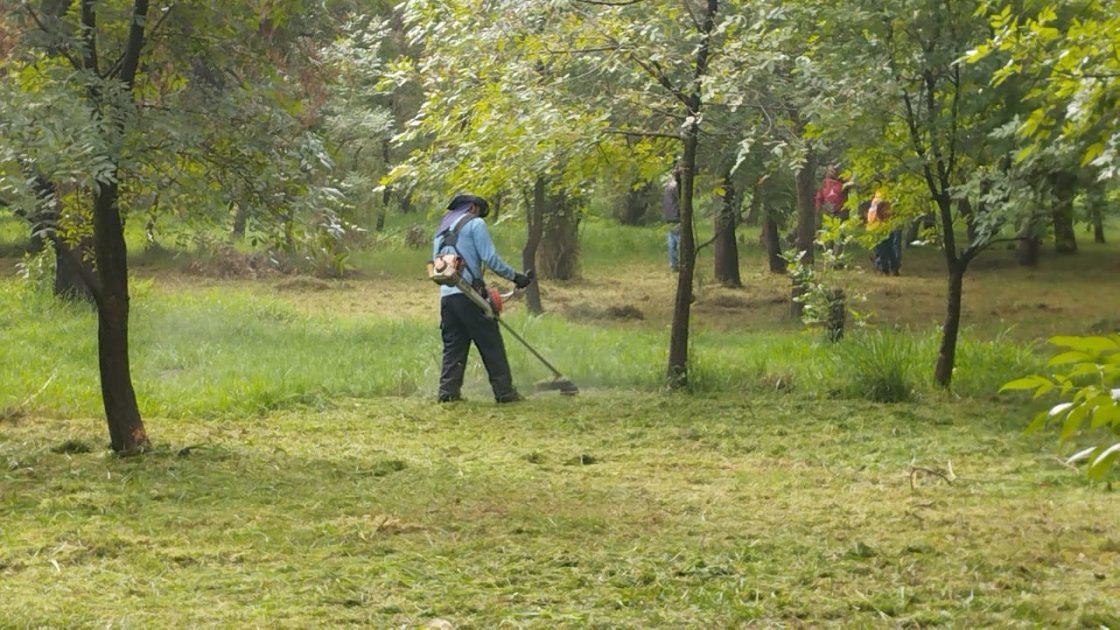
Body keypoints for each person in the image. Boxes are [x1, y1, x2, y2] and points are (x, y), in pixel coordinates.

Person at [432, 193, 533, 403]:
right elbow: (490, 259)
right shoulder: (475, 224)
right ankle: (504, 392)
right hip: (469, 296)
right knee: (490, 343)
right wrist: (517, 277)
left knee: (454, 346)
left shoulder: (440, 231)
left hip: (447, 297)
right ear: (473, 208)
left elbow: (435, 265)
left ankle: (448, 393)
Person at [867, 191, 901, 275]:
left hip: (878, 228)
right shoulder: (889, 200)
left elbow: (872, 217)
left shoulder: (876, 201)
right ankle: (895, 267)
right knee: (890, 249)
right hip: (889, 227)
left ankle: (884, 269)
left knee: (882, 251)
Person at [662, 167, 682, 272]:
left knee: (672, 242)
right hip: (677, 217)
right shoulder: (677, 187)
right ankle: (681, 264)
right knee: (680, 242)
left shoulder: (667, 187)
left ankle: (673, 265)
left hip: (668, 217)